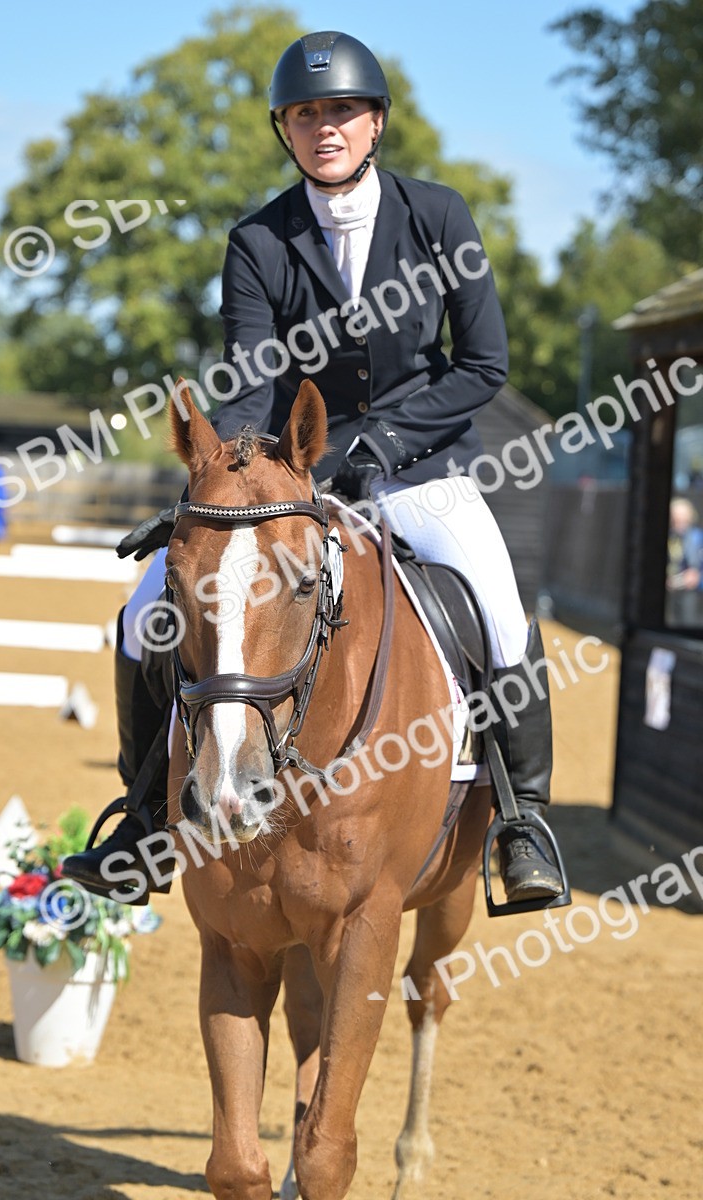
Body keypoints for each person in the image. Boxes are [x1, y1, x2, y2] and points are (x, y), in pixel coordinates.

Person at [64, 31, 564, 905]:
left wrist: (378, 445)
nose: (324, 126)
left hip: (420, 471)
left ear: (375, 123)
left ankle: (522, 822)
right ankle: (145, 820)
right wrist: (228, 474)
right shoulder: (258, 241)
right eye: (306, 114)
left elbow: (483, 365)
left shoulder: (440, 216)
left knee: (500, 607)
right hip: (296, 478)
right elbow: (253, 378)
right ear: (284, 132)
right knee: (143, 609)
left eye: (341, 110)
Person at [666, 497, 703, 626]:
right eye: (675, 518)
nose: (679, 522)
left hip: (693, 596)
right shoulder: (669, 537)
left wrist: (698, 579)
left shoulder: (698, 538)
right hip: (670, 594)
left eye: (683, 517)